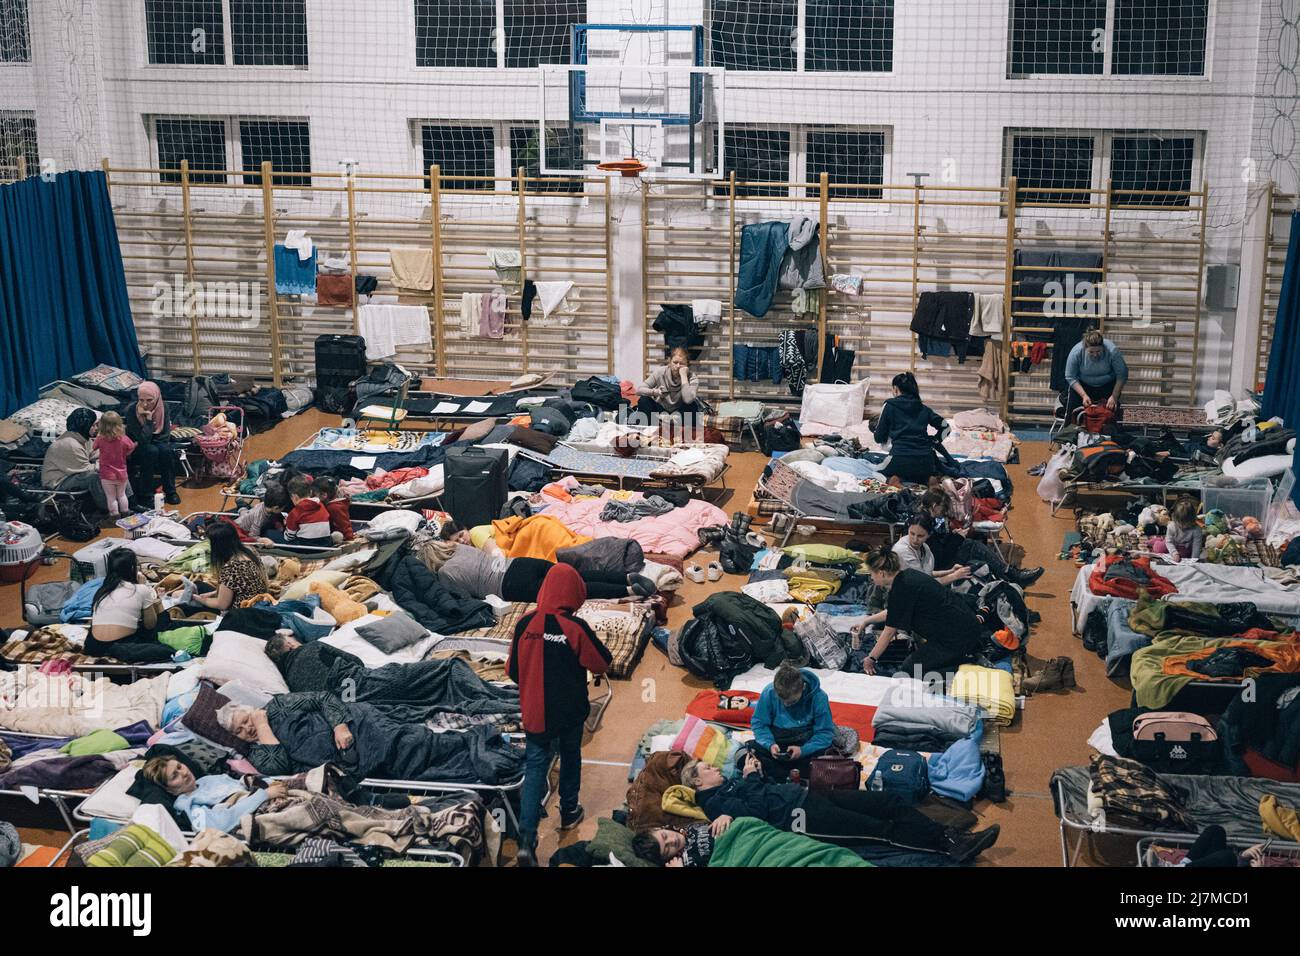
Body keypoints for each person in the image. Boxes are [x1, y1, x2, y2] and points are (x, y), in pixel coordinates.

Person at [681, 754, 1000, 864]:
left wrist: (756, 775)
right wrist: (751, 779)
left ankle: (948, 834)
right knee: (877, 831)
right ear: (698, 782)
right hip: (798, 818)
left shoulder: (728, 786)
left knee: (887, 802)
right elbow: (756, 812)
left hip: (806, 796)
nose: (716, 769)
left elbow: (760, 794)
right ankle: (949, 845)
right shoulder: (715, 803)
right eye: (708, 768)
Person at [507, 564, 613, 867]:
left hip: (535, 713)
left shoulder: (524, 623)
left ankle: (526, 839)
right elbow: (601, 663)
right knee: (570, 758)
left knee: (536, 768)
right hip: (568, 711)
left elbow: (512, 670)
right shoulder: (574, 627)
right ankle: (569, 812)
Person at [218, 693, 520, 783]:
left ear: (250, 709)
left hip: (357, 724)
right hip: (350, 759)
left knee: (414, 741)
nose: (247, 730)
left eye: (246, 721)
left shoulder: (281, 705)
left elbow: (324, 698)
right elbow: (280, 766)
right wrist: (261, 724)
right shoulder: (258, 754)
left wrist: (339, 725)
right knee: (412, 756)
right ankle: (492, 749)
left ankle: (486, 741)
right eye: (240, 731)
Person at [263, 632, 519, 716]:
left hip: (362, 707)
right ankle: (510, 700)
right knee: (451, 667)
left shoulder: (291, 683)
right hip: (369, 683)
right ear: (289, 645)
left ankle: (505, 698)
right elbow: (354, 661)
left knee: (441, 696)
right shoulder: (313, 648)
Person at [423, 521, 657, 600]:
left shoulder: (445, 574)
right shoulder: (461, 549)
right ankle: (624, 576)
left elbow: (466, 597)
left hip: (510, 585)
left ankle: (627, 590)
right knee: (573, 575)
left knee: (573, 590)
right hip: (520, 563)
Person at [859, 548, 985, 680]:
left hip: (957, 638)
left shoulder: (901, 590)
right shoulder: (908, 576)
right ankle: (965, 655)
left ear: (882, 573)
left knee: (910, 670)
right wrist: (867, 621)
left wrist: (871, 658)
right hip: (966, 626)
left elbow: (889, 632)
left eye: (871, 574)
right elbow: (894, 612)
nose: (871, 578)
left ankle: (968, 666)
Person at [86, 549, 210, 663]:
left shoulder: (101, 591)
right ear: (133, 568)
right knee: (162, 633)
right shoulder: (139, 589)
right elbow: (151, 625)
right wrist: (147, 590)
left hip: (93, 646)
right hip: (121, 646)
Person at [917, 491, 1044, 587]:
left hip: (936, 561)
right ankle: (1012, 574)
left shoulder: (926, 519)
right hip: (937, 565)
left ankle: (1009, 574)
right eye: (942, 508)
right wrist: (958, 538)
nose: (943, 512)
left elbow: (939, 543)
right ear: (934, 506)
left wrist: (953, 535)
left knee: (973, 544)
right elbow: (940, 553)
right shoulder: (924, 525)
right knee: (972, 546)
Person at [139, 757, 287, 833]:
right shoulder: (187, 803)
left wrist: (270, 783)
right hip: (259, 810)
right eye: (174, 776)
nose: (183, 773)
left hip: (267, 793)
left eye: (179, 766)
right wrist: (263, 795)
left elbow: (241, 784)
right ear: (169, 789)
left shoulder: (207, 780)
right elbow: (218, 825)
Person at [748, 661, 837, 783]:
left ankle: (780, 775)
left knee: (827, 759)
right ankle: (790, 776)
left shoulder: (819, 697)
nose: (785, 704)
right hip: (777, 742)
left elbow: (825, 733)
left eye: (791, 702)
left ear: (803, 688)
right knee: (747, 752)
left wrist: (803, 750)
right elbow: (759, 723)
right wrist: (769, 744)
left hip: (806, 742)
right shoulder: (769, 692)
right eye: (782, 700)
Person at [872, 372, 946, 485]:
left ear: (896, 389)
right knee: (921, 474)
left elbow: (879, 438)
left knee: (875, 472)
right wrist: (934, 440)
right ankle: (929, 479)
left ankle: (892, 479)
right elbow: (946, 428)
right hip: (925, 462)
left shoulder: (889, 405)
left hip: (899, 458)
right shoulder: (924, 408)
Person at [191, 520, 269, 612]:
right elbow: (240, 587)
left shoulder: (231, 568)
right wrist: (211, 594)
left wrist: (196, 598)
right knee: (199, 586)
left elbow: (222, 604)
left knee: (188, 606)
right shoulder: (250, 551)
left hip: (241, 612)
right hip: (259, 602)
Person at [41, 408, 109, 511]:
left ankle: (130, 502)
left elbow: (93, 453)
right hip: (58, 483)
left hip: (71, 475)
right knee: (93, 477)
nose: (96, 428)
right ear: (85, 425)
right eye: (93, 425)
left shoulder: (82, 438)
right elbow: (85, 468)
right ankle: (110, 510)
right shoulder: (70, 444)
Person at [126, 381, 180, 506]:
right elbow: (142, 439)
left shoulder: (164, 407)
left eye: (149, 400)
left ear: (156, 398)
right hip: (136, 445)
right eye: (141, 400)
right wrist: (149, 419)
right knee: (151, 451)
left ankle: (171, 491)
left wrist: (158, 443)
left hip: (157, 442)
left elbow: (165, 434)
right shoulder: (131, 411)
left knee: (166, 451)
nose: (145, 404)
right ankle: (146, 495)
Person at [1063, 329, 1128, 425]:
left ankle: (1111, 437)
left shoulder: (1112, 351)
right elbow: (1070, 376)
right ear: (1085, 348)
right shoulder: (1076, 352)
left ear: (1103, 347)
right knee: (1073, 414)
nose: (1095, 355)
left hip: (1108, 385)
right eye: (1091, 352)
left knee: (1112, 415)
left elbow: (1122, 375)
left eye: (1098, 351)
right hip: (1083, 385)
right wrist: (1084, 395)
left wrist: (1114, 396)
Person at [893, 515, 974, 586]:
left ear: (928, 535)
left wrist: (951, 571)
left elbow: (927, 574)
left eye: (920, 536)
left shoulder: (924, 547)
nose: (915, 539)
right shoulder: (903, 550)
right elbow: (923, 584)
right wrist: (954, 576)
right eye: (912, 533)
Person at [631, 819, 733, 867]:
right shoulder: (685, 861)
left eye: (665, 836)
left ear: (659, 828)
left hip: (735, 831)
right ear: (665, 859)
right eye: (667, 849)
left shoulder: (688, 827)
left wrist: (724, 816)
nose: (673, 841)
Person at [637, 347, 701, 423]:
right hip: (661, 412)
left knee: (692, 405)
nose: (677, 366)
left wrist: (683, 376)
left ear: (687, 365)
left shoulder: (692, 378)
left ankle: (682, 430)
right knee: (644, 400)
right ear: (669, 361)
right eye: (675, 362)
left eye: (682, 364)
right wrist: (656, 392)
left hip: (679, 413)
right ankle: (652, 427)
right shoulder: (660, 372)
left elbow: (688, 400)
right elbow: (639, 390)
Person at [92, 411, 136, 521]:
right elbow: (131, 447)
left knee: (111, 497)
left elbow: (93, 448)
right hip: (122, 473)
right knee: (122, 495)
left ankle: (114, 516)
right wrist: (125, 453)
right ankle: (126, 513)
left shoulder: (100, 439)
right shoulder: (124, 438)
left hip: (106, 474)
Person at [284, 475, 334, 545]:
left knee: (270, 533)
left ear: (295, 497)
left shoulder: (295, 512)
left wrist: (286, 525)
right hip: (325, 544)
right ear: (310, 492)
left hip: (305, 548)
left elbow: (289, 537)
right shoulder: (321, 505)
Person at [313, 476, 355, 542]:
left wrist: (349, 539)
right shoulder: (334, 504)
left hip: (340, 538)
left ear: (324, 495)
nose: (313, 496)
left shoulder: (333, 507)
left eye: (315, 494)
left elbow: (344, 525)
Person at [1165, 496, 1204, 562]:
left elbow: (1196, 546)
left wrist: (1193, 560)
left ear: (1193, 520)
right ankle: (1156, 540)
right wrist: (1174, 553)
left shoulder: (1196, 529)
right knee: (1159, 547)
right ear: (1175, 519)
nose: (1183, 526)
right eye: (1180, 523)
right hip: (1174, 546)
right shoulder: (1171, 526)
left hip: (1186, 549)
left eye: (1186, 524)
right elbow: (1169, 542)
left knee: (1185, 554)